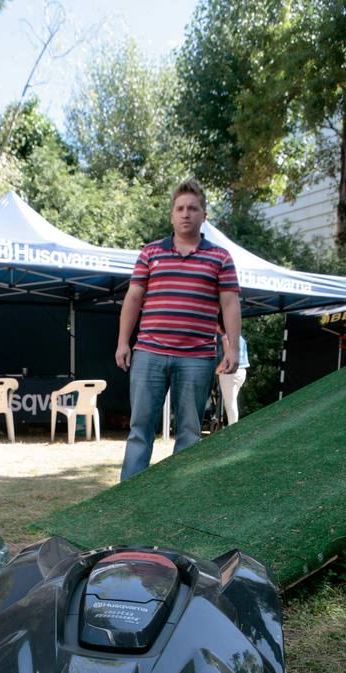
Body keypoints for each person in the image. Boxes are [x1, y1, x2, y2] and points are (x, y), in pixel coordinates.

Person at [116, 178, 241, 480]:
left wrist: (233, 348)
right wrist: (123, 342)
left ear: (204, 216)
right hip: (149, 354)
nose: (186, 214)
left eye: (193, 209)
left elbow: (231, 304)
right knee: (139, 429)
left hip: (197, 358)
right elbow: (133, 298)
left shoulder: (220, 257)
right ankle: (126, 501)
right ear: (172, 215)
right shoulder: (150, 253)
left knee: (189, 432)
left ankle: (178, 499)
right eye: (180, 208)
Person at [218, 332, 249, 425]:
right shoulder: (239, 336)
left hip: (230, 373)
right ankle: (233, 427)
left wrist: (216, 370)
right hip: (241, 371)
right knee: (232, 403)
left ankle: (232, 430)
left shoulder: (226, 336)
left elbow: (227, 359)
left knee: (230, 405)